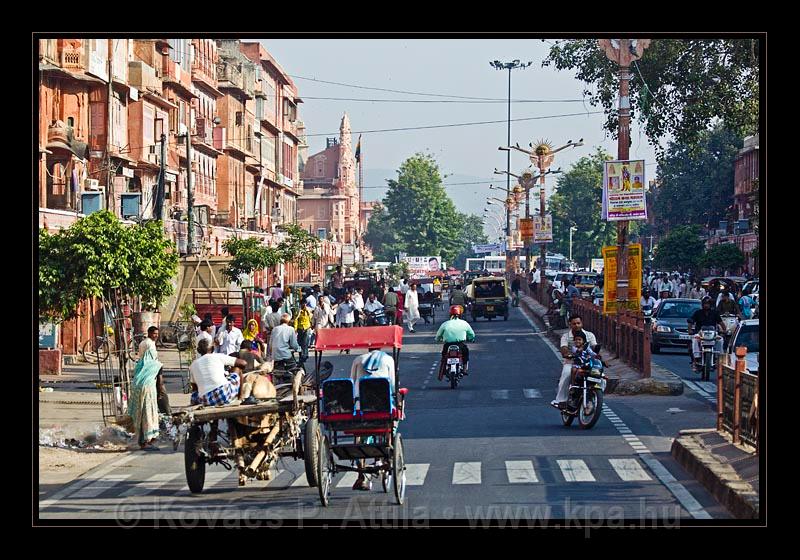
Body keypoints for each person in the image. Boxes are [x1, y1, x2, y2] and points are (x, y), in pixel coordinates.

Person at [349, 347, 397, 491]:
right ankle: (386, 452)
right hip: (382, 408)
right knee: (391, 422)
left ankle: (361, 476)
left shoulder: (358, 359)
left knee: (360, 435)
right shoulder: (388, 359)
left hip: (360, 407)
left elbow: (351, 381)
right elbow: (393, 385)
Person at [551, 315, 598, 409]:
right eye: (574, 324)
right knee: (566, 375)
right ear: (570, 325)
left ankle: (596, 397)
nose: (576, 325)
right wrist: (567, 354)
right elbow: (563, 348)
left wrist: (596, 353)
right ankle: (561, 400)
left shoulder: (590, 335)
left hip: (587, 363)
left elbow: (594, 347)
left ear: (582, 323)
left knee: (600, 376)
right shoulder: (565, 336)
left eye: (578, 323)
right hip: (572, 362)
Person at [129, 326, 165, 450]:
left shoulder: (139, 366)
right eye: (154, 333)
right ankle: (146, 440)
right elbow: (160, 381)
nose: (156, 335)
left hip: (137, 387)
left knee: (139, 414)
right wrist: (160, 393)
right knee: (148, 414)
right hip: (148, 389)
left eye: (157, 333)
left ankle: (141, 439)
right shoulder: (156, 365)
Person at [190, 338, 247, 409]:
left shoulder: (193, 365)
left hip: (205, 400)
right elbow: (243, 363)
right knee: (238, 368)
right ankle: (240, 398)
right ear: (213, 349)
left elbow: (195, 388)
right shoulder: (218, 356)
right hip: (223, 395)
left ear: (198, 351)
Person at [435, 305, 475, 379]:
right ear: (460, 314)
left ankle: (444, 369)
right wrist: (471, 339)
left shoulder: (445, 324)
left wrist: (438, 339)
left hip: (448, 345)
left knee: (444, 355)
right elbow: (471, 334)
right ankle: (465, 368)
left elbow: (438, 336)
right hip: (460, 345)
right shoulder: (464, 323)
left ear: (450, 314)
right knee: (465, 354)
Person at [687, 296, 726, 371]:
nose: (706, 305)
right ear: (702, 304)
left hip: (713, 334)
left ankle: (718, 358)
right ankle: (697, 358)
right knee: (695, 339)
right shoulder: (698, 313)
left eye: (708, 304)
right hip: (700, 334)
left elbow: (721, 323)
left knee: (720, 340)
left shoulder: (715, 313)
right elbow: (691, 321)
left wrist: (724, 331)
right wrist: (690, 331)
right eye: (705, 304)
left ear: (710, 305)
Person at [293, 303, 313, 367]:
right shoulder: (298, 311)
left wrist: (307, 310)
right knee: (300, 342)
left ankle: (305, 355)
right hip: (300, 328)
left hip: (307, 328)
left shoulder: (308, 310)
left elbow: (311, 317)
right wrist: (295, 328)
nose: (303, 305)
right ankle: (301, 354)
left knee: (305, 342)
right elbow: (296, 320)